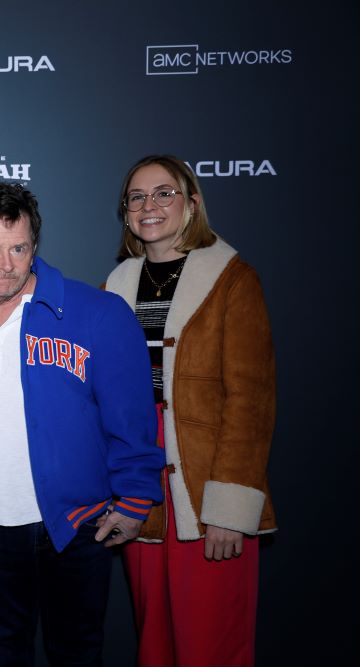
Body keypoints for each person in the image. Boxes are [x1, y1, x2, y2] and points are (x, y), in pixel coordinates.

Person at [0, 180, 164, 667]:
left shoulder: (98, 313)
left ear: (34, 246)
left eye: (18, 247)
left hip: (79, 524)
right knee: (4, 649)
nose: (6, 264)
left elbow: (132, 418)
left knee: (77, 653)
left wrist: (133, 498)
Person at [104, 154, 277, 667]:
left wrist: (229, 507)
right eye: (137, 197)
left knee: (211, 642)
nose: (149, 205)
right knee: (152, 638)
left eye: (164, 193)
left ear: (192, 203)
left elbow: (251, 400)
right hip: (141, 483)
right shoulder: (115, 286)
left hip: (207, 484)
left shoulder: (233, 279)